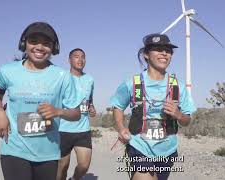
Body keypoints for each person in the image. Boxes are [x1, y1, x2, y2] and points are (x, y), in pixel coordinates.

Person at [0, 22, 83, 180]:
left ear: (54, 48)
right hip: (14, 149)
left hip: (48, 154)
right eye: (33, 41)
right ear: (24, 44)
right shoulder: (7, 71)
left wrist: (58, 111)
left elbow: (76, 113)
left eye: (46, 43)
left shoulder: (62, 76)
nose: (40, 47)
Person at [110, 33, 196, 180]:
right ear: (146, 54)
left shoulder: (178, 86)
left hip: (167, 150)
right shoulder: (132, 83)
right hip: (139, 147)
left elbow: (187, 120)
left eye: (168, 50)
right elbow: (117, 106)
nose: (164, 53)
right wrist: (121, 127)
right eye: (158, 49)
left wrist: (179, 115)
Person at [57, 48, 96, 180]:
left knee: (84, 166)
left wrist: (91, 107)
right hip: (63, 129)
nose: (80, 60)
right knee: (62, 166)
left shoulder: (89, 79)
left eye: (83, 57)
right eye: (76, 57)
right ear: (69, 60)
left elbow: (89, 100)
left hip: (83, 129)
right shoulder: (62, 78)